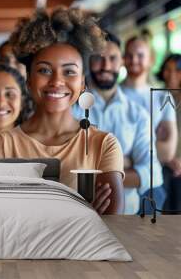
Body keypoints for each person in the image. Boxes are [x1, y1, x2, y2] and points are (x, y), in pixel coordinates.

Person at [0, 8, 125, 214]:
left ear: (83, 83)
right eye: (44, 70)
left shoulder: (103, 144)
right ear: (29, 80)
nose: (57, 81)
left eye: (69, 72)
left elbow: (113, 226)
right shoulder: (3, 145)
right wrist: (82, 215)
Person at [73, 32, 163, 214]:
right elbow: (66, 167)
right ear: (89, 61)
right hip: (78, 214)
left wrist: (93, 171)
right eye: (99, 58)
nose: (106, 66)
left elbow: (154, 173)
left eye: (112, 58)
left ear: (121, 61)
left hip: (128, 218)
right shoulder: (72, 108)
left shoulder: (137, 114)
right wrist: (122, 165)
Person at [122, 36, 178, 165]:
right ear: (123, 59)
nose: (134, 60)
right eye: (129, 55)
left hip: (155, 179)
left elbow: (167, 152)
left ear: (151, 59)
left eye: (140, 55)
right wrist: (153, 142)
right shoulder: (113, 95)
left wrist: (127, 157)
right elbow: (109, 151)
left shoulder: (163, 97)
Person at [157, 54, 181, 210]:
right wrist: (168, 157)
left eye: (177, 70)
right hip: (160, 164)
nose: (171, 74)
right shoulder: (156, 97)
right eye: (168, 69)